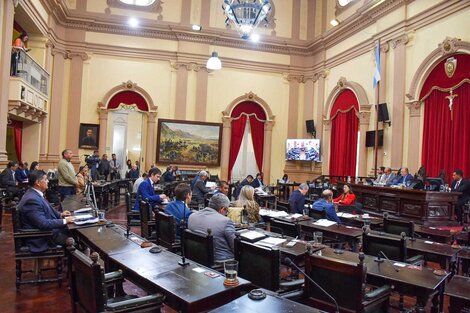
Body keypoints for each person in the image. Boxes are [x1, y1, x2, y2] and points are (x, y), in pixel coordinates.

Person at [17, 170, 74, 252]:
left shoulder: (35, 194)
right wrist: (65, 221)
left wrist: (61, 215)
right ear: (38, 182)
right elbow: (42, 223)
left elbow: (46, 210)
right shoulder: (31, 200)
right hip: (42, 238)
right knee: (74, 240)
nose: (48, 181)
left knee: (73, 232)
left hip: (48, 232)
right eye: (45, 179)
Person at [188, 193, 235, 262]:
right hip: (220, 260)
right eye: (226, 211)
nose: (226, 213)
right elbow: (235, 247)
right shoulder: (225, 221)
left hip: (196, 256)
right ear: (222, 209)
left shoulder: (192, 216)